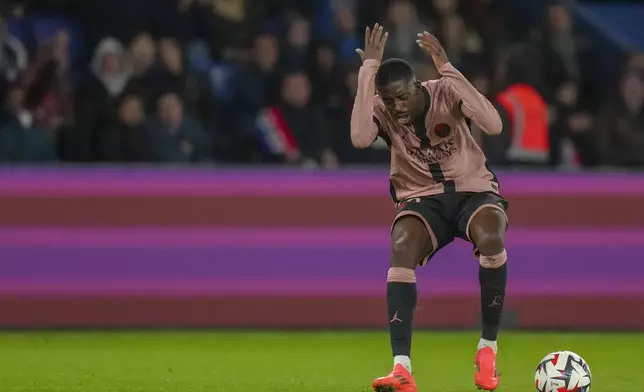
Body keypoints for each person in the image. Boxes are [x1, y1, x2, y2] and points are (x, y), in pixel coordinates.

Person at [351, 24, 508, 392]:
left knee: (490, 235)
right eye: (389, 101)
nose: (398, 108)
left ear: (418, 87)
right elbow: (359, 138)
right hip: (423, 197)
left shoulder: (444, 90)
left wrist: (448, 67)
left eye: (403, 97)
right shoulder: (382, 109)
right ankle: (401, 368)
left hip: (473, 189)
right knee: (401, 245)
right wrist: (367, 71)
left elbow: (494, 124)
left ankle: (487, 348)